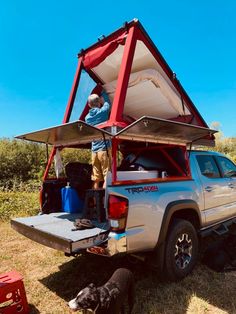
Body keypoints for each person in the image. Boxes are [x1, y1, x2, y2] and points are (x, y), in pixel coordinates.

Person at [85, 91, 112, 189]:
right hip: (104, 149)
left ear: (89, 105)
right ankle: (104, 202)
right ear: (99, 103)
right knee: (107, 177)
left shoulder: (87, 118)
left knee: (96, 178)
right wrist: (103, 93)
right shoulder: (103, 112)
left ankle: (95, 202)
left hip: (94, 151)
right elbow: (108, 104)